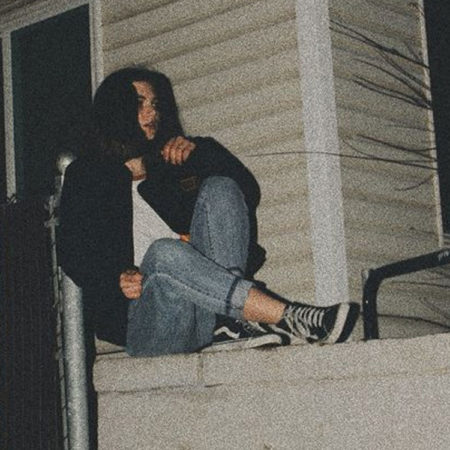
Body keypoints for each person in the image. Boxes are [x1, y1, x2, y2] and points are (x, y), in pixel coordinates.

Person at [58, 67, 359, 360]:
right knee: (163, 252)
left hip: (205, 309)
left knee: (220, 187)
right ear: (116, 111)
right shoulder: (88, 175)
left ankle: (228, 321)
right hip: (148, 318)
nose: (152, 113)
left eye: (156, 104)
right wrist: (116, 277)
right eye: (140, 104)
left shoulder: (174, 161)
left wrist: (200, 153)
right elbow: (73, 251)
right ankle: (288, 316)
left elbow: (245, 192)